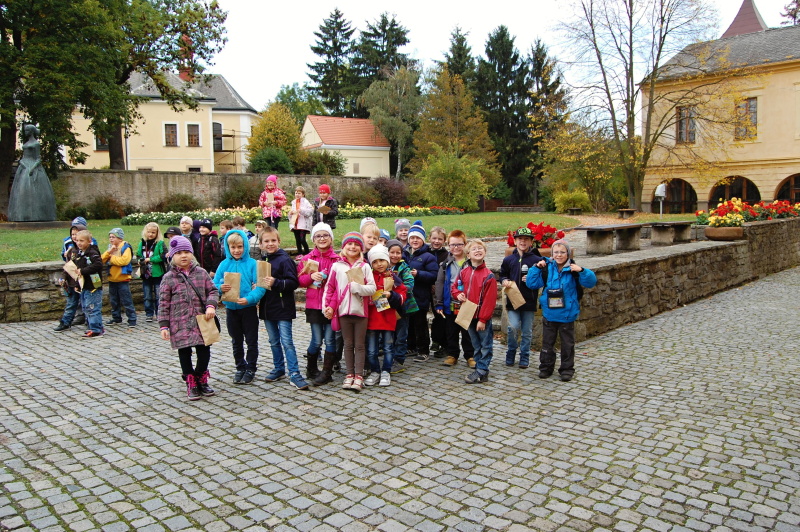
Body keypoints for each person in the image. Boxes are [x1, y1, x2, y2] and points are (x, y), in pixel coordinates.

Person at [526, 239, 597, 382]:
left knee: (567, 345)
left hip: (567, 314)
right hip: (550, 313)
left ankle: (567, 369)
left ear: (568, 254)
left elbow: (591, 282)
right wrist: (536, 268)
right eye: (556, 252)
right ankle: (545, 368)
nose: (559, 255)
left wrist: (582, 271)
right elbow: (531, 283)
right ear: (552, 254)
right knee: (547, 344)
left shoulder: (573, 269)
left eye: (562, 252)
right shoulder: (546, 268)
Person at [158, 236, 219, 400]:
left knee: (204, 350)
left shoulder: (201, 273)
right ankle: (190, 380)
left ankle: (201, 376)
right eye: (179, 253)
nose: (183, 256)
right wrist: (164, 325)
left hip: (201, 320)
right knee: (184, 351)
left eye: (186, 252)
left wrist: (211, 305)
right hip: (179, 322)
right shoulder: (168, 278)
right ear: (172, 256)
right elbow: (163, 302)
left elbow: (213, 291)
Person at [323, 232, 376, 392]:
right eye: (349, 244)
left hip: (360, 312)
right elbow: (330, 288)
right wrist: (327, 306)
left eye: (356, 245)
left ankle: (359, 376)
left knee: (359, 345)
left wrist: (358, 288)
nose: (352, 247)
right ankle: (349, 374)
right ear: (344, 247)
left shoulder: (364, 266)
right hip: (343, 312)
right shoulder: (337, 266)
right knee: (347, 344)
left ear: (361, 248)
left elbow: (372, 288)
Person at [257, 227, 308, 390]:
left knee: (287, 341)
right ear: (261, 244)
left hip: (283, 307)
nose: (270, 243)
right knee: (273, 341)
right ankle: (279, 368)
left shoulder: (285, 260)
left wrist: (276, 282)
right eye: (266, 241)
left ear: (279, 241)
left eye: (273, 240)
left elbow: (293, 282)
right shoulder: (263, 261)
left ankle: (294, 373)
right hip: (267, 307)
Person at [213, 230, 266, 384]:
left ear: (245, 246)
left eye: (240, 247)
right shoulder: (224, 264)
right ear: (228, 247)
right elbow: (213, 284)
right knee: (236, 341)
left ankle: (251, 368)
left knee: (251, 340)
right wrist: (220, 287)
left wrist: (249, 299)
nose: (237, 250)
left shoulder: (252, 264)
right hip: (231, 309)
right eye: (233, 247)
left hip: (248, 308)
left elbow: (260, 287)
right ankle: (240, 367)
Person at [297, 222, 338, 385]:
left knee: (330, 339)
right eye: (318, 236)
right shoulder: (307, 259)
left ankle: (327, 371)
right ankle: (311, 368)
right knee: (316, 340)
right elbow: (300, 280)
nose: (322, 238)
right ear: (313, 239)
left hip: (330, 306)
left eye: (325, 235)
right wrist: (310, 277)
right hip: (314, 306)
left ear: (331, 238)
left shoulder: (337, 260)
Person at [452, 240, 497, 384]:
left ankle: (482, 369)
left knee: (485, 344)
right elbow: (455, 287)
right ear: (468, 255)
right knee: (475, 344)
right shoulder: (464, 272)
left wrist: (483, 319)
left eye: (480, 248)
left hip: (481, 317)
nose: (477, 251)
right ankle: (479, 368)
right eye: (474, 249)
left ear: (485, 252)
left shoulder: (488, 276)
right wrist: (458, 294)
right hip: (468, 314)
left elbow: (489, 301)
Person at [499, 227, 543, 369]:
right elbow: (502, 274)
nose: (523, 242)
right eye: (520, 239)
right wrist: (504, 280)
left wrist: (533, 278)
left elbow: (543, 278)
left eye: (526, 239)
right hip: (513, 300)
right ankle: (511, 351)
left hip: (529, 300)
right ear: (515, 241)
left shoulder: (536, 260)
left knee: (527, 331)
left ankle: (525, 355)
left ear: (531, 242)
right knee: (512, 327)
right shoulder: (509, 260)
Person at [364, 244, 407, 387]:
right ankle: (375, 371)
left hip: (388, 318)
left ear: (387, 261)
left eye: (381, 260)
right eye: (375, 262)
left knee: (388, 347)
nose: (379, 264)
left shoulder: (393, 277)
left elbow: (402, 294)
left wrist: (391, 295)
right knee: (372, 350)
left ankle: (386, 371)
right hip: (372, 319)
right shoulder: (368, 277)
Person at [434, 230, 475, 368]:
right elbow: (439, 283)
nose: (456, 247)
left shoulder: (471, 263)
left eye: (459, 244)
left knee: (467, 331)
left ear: (465, 245)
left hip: (467, 302)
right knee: (451, 331)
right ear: (448, 245)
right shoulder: (445, 264)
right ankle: (452, 354)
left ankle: (470, 355)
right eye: (452, 245)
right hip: (450, 302)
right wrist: (439, 302)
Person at [7, 124, 56, 221]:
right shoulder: (26, 143)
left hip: (32, 168)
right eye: (25, 130)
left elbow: (38, 159)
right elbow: (23, 157)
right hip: (24, 166)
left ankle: (37, 215)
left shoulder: (36, 144)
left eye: (27, 130)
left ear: (32, 131)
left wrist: (32, 168)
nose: (25, 132)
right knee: (21, 191)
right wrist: (23, 164)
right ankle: (22, 215)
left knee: (34, 191)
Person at [406, 223, 438, 362]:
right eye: (412, 237)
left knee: (420, 324)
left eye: (418, 238)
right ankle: (411, 347)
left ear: (423, 240)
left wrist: (418, 274)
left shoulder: (428, 256)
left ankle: (423, 350)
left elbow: (434, 275)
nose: (415, 240)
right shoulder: (404, 253)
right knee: (409, 323)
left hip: (420, 296)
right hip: (407, 296)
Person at [55, 217, 93, 331]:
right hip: (72, 281)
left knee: (87, 304)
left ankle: (90, 322)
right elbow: (68, 267)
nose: (74, 237)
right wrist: (63, 278)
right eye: (72, 235)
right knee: (71, 303)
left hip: (84, 282)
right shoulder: (71, 251)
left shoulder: (90, 251)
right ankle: (65, 322)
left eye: (77, 234)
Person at [386, 239, 418, 373]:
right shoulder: (382, 266)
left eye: (398, 253)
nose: (395, 255)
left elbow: (409, 284)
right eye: (392, 252)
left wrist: (395, 288)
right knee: (388, 335)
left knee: (401, 335)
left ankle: (399, 359)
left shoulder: (404, 267)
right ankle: (389, 358)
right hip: (387, 307)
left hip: (403, 307)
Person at [102, 228, 137, 328]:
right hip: (112, 279)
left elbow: (124, 261)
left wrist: (111, 259)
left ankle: (132, 318)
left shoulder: (126, 247)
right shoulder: (110, 248)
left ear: (120, 238)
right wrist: (109, 253)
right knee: (114, 300)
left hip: (122, 278)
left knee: (126, 300)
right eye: (110, 237)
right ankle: (116, 317)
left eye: (113, 237)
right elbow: (102, 259)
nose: (111, 239)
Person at [72, 230, 104, 338]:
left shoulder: (92, 253)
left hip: (93, 285)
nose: (79, 243)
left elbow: (98, 265)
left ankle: (96, 329)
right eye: (77, 240)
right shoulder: (79, 253)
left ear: (89, 241)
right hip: (84, 285)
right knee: (86, 307)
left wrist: (83, 271)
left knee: (93, 307)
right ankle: (92, 326)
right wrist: (77, 284)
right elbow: (77, 270)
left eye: (82, 241)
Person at [137, 222, 166, 323]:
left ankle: (159, 313)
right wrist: (140, 260)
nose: (150, 234)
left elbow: (163, 256)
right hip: (146, 273)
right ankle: (149, 314)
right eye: (149, 232)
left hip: (157, 273)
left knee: (159, 295)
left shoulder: (160, 243)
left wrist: (151, 259)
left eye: (153, 232)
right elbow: (138, 254)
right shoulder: (142, 243)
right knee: (147, 295)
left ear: (157, 233)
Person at [428, 226, 448, 357]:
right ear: (429, 238)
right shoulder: (425, 252)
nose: (436, 241)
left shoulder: (446, 255)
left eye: (440, 239)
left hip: (440, 290)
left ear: (444, 240)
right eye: (434, 238)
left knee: (441, 316)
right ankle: (435, 339)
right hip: (426, 288)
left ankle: (443, 343)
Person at [289, 186, 313, 255]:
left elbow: (310, 212)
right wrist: (290, 213)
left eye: (299, 193)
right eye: (296, 193)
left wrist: (301, 210)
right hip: (295, 224)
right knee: (297, 240)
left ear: (303, 194)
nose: (297, 195)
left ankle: (307, 253)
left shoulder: (306, 202)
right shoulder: (294, 202)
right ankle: (299, 253)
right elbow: (291, 215)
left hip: (303, 224)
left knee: (302, 239)